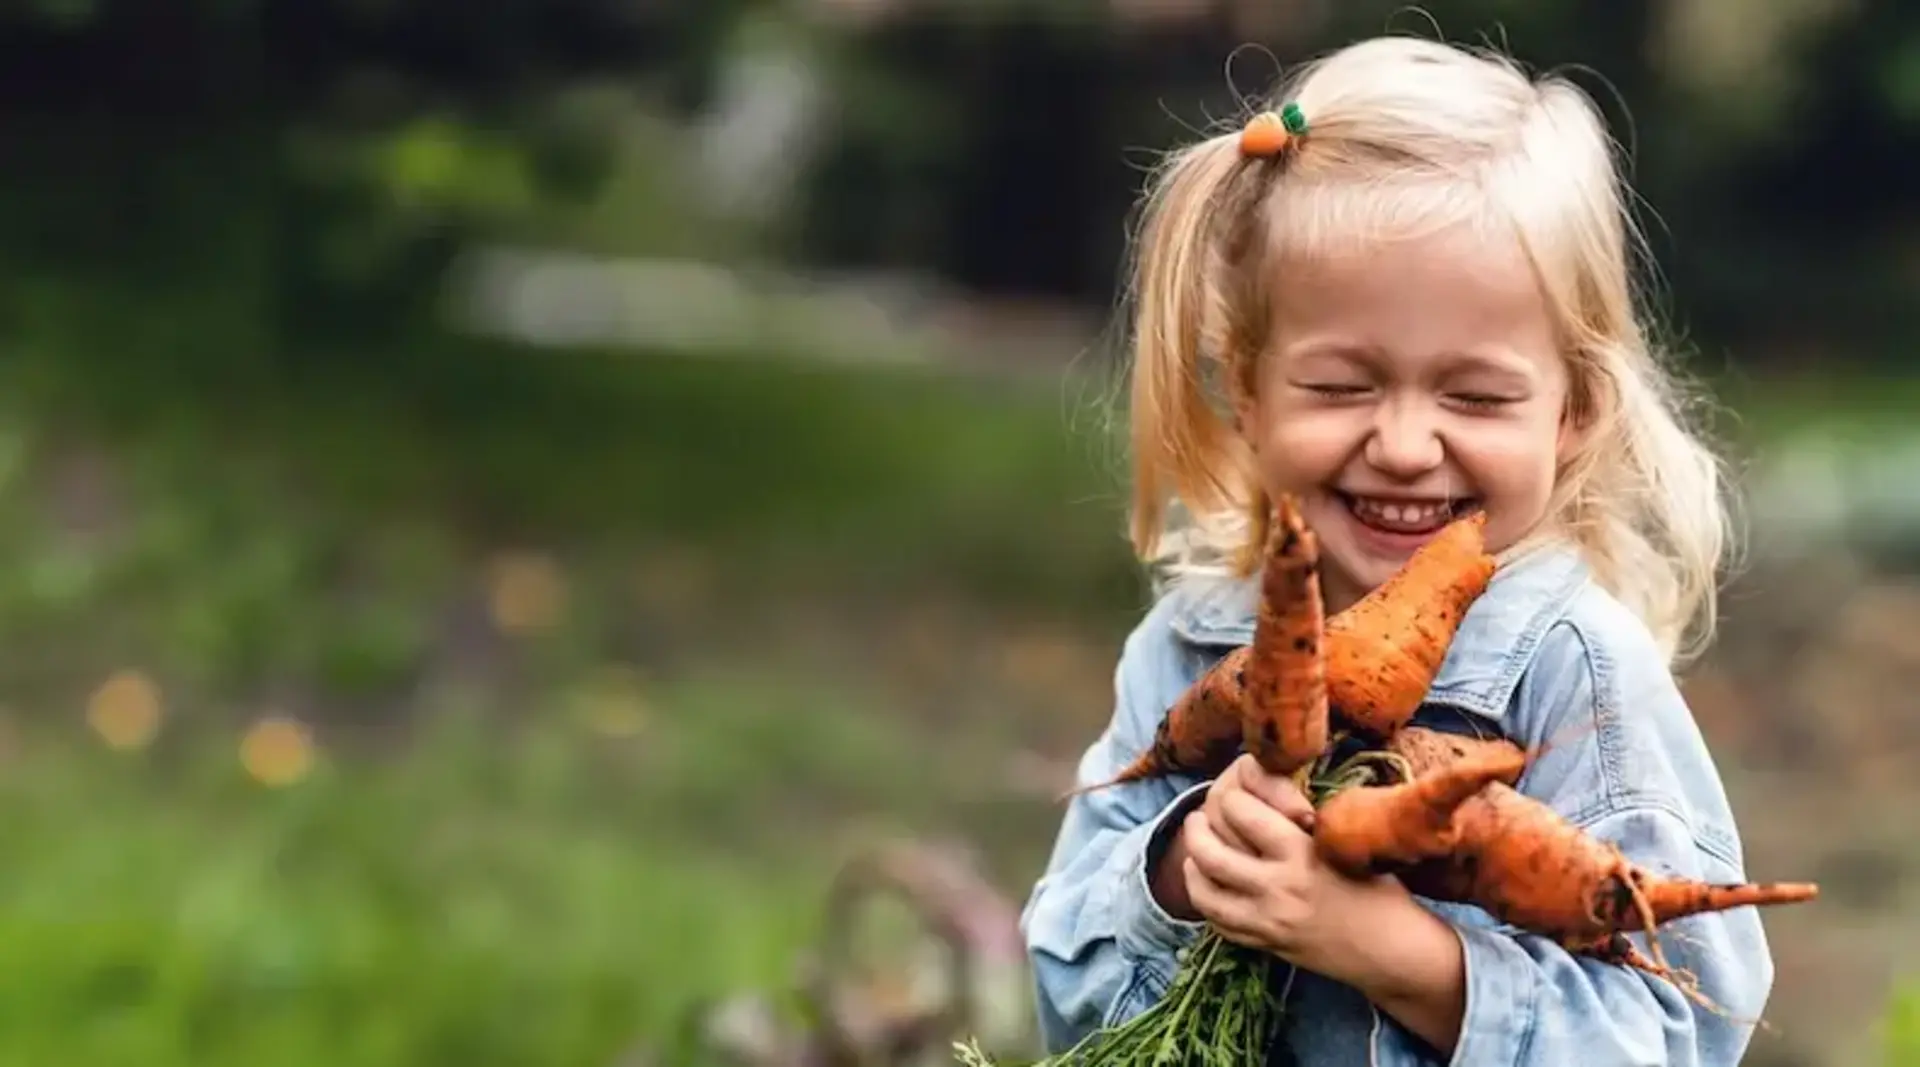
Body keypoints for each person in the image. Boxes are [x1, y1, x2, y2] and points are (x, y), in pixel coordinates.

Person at [1020, 34, 1777, 1067]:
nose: (1407, 446)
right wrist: (1179, 875)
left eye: (1474, 395)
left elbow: (1687, 1032)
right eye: (1340, 385)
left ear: (1575, 411)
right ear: (1247, 389)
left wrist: (1404, 955)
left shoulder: (1573, 675)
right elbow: (1070, 1002)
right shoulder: (1188, 653)